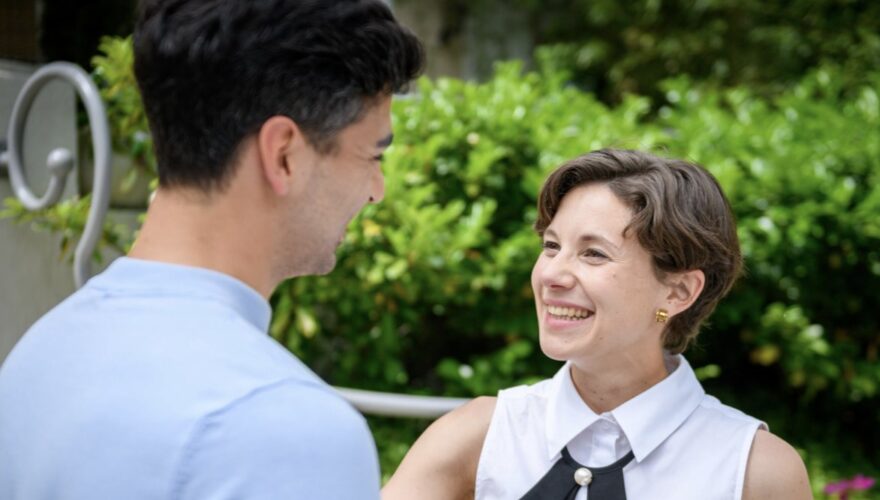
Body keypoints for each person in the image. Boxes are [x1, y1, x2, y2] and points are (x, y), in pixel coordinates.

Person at [0, 0, 423, 498]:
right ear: (284, 153)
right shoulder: (286, 428)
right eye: (372, 155)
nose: (377, 189)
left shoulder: (39, 351)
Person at [382, 149, 813, 500]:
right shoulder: (477, 436)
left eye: (593, 254)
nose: (552, 275)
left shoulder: (754, 470)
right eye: (551, 246)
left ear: (678, 292)